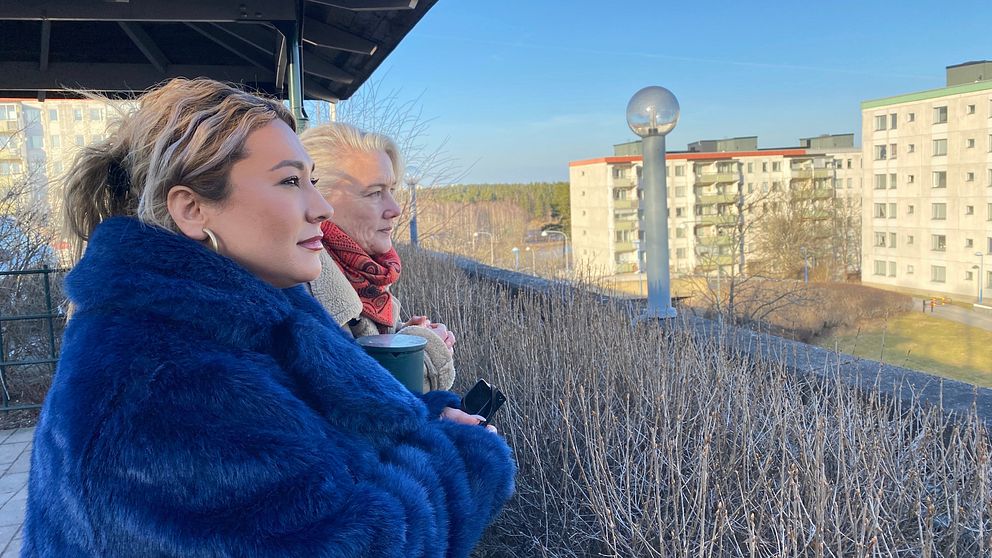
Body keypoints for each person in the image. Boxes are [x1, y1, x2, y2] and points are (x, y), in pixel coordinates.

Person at [23, 78, 515, 557]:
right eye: (289, 181)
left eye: (313, 181)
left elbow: (313, 438)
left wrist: (426, 420)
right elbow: (350, 541)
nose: (320, 207)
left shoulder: (239, 322)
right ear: (192, 209)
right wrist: (461, 458)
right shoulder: (164, 382)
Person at [300, 123, 456, 391]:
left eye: (392, 190)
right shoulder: (302, 286)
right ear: (318, 199)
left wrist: (402, 339)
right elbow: (356, 402)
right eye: (374, 193)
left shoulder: (363, 276)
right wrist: (425, 353)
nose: (395, 209)